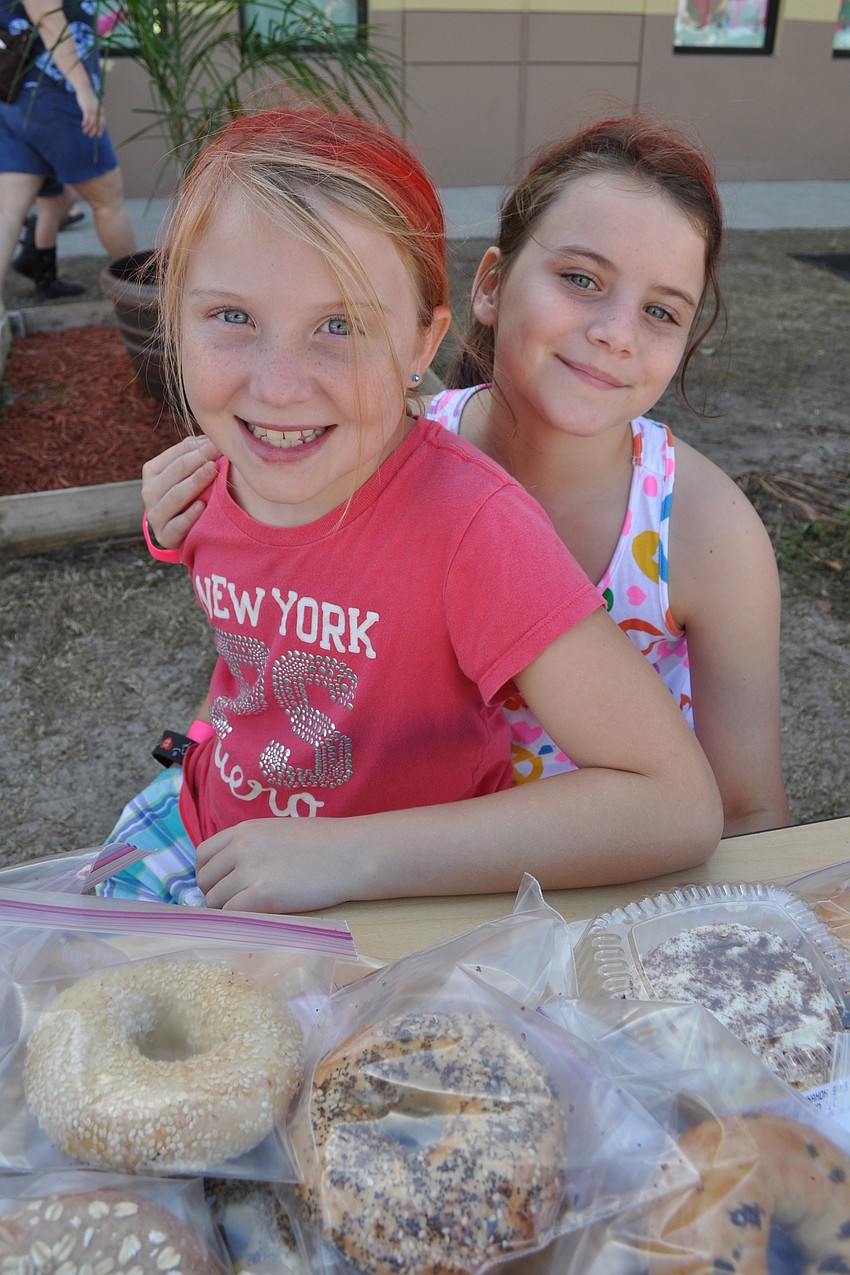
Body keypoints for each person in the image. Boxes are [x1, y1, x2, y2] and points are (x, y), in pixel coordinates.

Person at [99, 106, 721, 914]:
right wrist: (164, 527)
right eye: (232, 317)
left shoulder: (474, 526)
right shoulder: (224, 463)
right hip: (196, 826)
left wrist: (346, 855)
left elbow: (674, 802)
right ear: (175, 324)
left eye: (340, 325)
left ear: (422, 345)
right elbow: (258, 608)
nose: (279, 385)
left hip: (390, 902)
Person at [0, 0, 136, 318]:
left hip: (15, 99)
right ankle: (142, 300)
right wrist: (84, 90)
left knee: (8, 211)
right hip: (55, 97)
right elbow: (48, 19)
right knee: (107, 199)